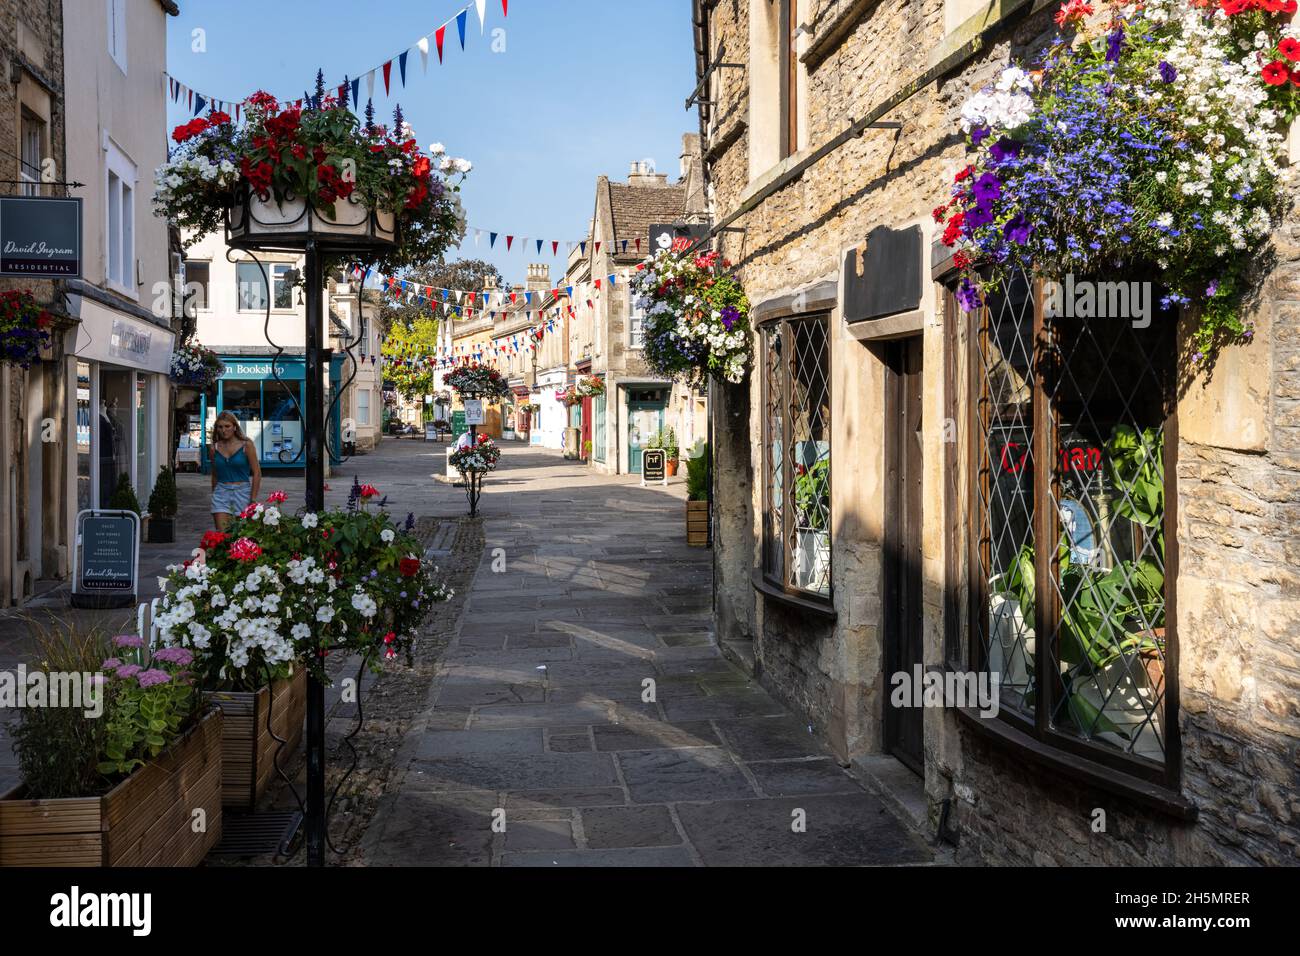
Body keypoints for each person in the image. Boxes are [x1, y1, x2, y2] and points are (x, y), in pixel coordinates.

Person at [210, 411, 261, 530]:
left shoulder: (246, 445)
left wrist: (253, 498)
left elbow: (257, 472)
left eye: (227, 426)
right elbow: (215, 474)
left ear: (234, 427)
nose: (224, 430)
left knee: (242, 535)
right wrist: (214, 494)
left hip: (243, 492)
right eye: (220, 427)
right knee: (222, 536)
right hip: (221, 493)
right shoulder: (214, 448)